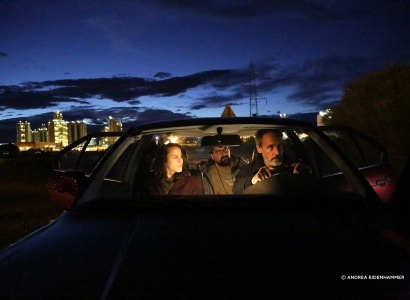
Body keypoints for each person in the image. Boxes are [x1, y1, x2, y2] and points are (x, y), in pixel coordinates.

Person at [233, 129, 311, 194]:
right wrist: (252, 180)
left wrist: (302, 177)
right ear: (259, 149)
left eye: (279, 146)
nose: (277, 152)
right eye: (270, 147)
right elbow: (236, 189)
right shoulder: (247, 170)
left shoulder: (295, 167)